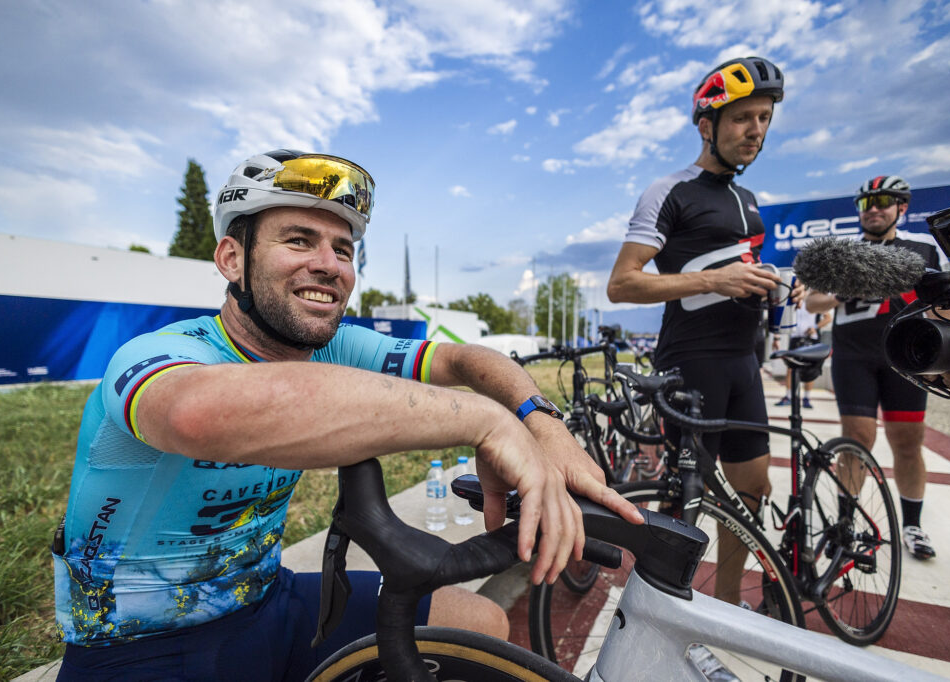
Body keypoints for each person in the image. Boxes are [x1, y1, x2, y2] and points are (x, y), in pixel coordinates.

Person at [51, 150, 642, 681]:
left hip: (269, 601)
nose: (329, 265)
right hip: (135, 647)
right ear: (231, 258)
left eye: (344, 249)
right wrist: (488, 423)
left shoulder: (332, 345)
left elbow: (470, 359)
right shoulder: (165, 353)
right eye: (299, 240)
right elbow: (196, 415)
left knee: (480, 622)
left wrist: (543, 424)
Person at [607, 57, 801, 606]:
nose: (757, 130)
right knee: (683, 503)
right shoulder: (670, 190)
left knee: (751, 491)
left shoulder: (748, 200)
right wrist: (718, 277)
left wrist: (776, 286)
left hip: (744, 360)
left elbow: (738, 280)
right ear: (706, 125)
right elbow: (622, 285)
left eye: (764, 118)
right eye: (743, 118)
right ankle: (662, 609)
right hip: (691, 360)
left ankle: (727, 602)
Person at [806, 175, 948, 560]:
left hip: (907, 357)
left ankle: (912, 525)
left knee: (907, 441)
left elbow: (943, 306)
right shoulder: (841, 253)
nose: (874, 208)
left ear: (902, 207)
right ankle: (846, 525)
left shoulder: (923, 249)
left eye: (884, 201)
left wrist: (944, 357)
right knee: (857, 438)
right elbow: (812, 303)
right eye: (867, 202)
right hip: (854, 356)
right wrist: (843, 291)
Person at [773, 301, 831, 408]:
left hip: (810, 339)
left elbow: (828, 318)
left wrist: (815, 327)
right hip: (795, 338)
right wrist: (777, 337)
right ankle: (789, 396)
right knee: (790, 368)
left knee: (810, 368)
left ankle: (806, 398)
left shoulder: (813, 301)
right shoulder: (794, 300)